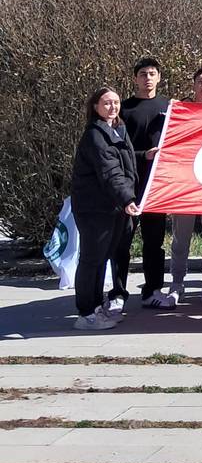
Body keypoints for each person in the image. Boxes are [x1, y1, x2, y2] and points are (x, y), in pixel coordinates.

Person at [69, 87, 140, 331]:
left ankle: (97, 308)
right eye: (107, 103)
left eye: (116, 102)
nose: (112, 107)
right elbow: (110, 171)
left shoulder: (117, 129)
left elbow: (128, 166)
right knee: (92, 260)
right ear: (96, 107)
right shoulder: (95, 135)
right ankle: (86, 313)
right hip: (95, 209)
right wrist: (128, 198)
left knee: (101, 259)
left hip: (113, 208)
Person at [168, 68, 202, 307]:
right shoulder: (181, 112)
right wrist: (172, 109)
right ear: (193, 85)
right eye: (200, 81)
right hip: (187, 184)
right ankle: (177, 283)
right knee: (181, 239)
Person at [118, 56, 169, 311]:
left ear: (159, 77)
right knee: (122, 242)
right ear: (135, 78)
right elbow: (116, 151)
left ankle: (153, 291)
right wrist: (142, 155)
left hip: (157, 186)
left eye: (152, 73)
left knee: (154, 242)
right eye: (143, 74)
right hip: (130, 185)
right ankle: (118, 294)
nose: (147, 78)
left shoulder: (170, 107)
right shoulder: (123, 109)